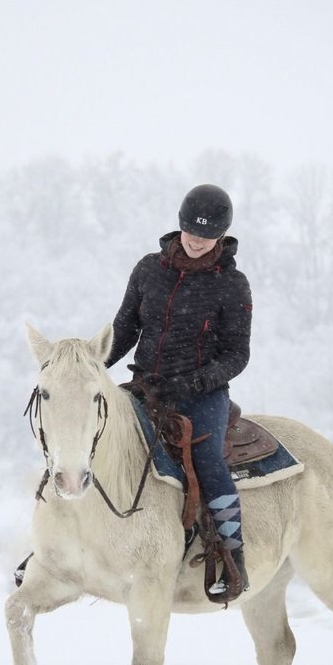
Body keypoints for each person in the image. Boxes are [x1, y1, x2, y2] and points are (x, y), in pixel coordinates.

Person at [105, 183, 253, 597]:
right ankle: (54, 544)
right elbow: (125, 330)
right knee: (92, 434)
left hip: (201, 394)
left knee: (208, 461)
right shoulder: (148, 269)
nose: (196, 241)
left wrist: (198, 380)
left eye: (206, 236)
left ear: (221, 235)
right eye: (191, 231)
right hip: (145, 385)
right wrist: (94, 366)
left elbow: (237, 354)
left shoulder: (232, 284)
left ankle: (231, 554)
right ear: (180, 224)